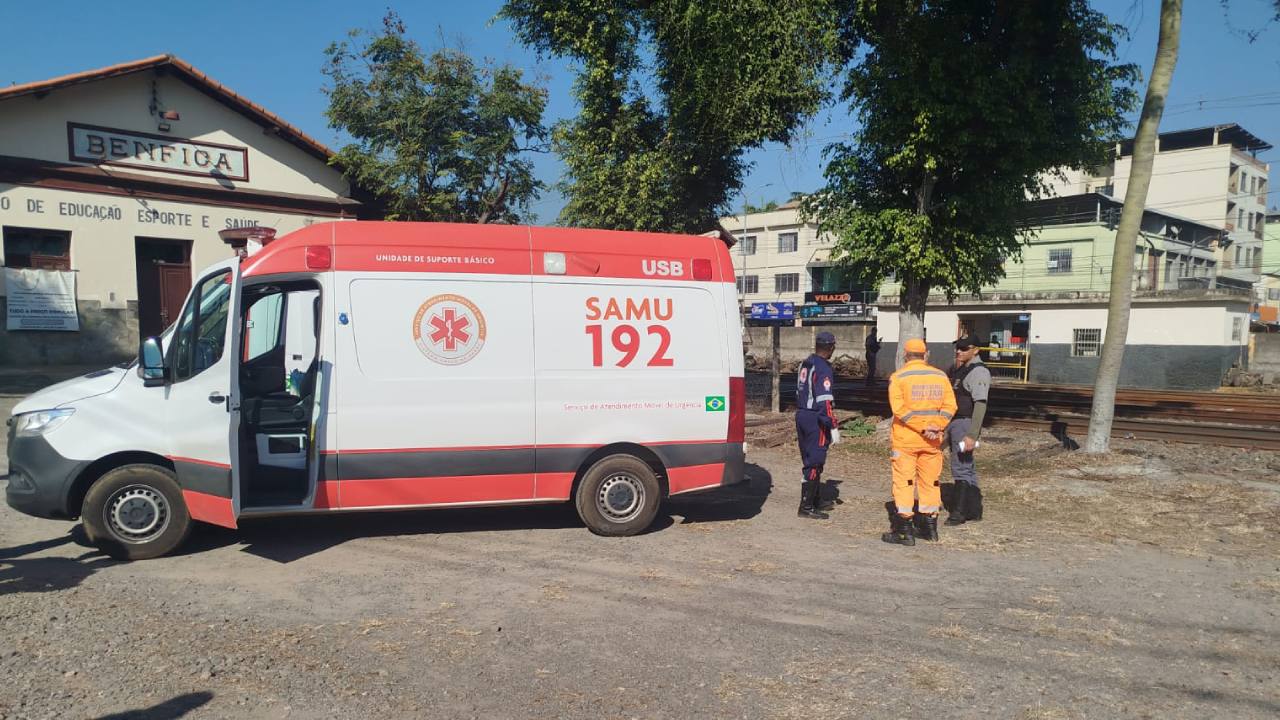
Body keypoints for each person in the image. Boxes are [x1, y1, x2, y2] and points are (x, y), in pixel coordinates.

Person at [882, 338, 956, 545]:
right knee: (930, 483)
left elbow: (900, 410)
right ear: (926, 354)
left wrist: (923, 427)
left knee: (905, 483)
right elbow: (951, 406)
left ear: (905, 355)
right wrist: (937, 426)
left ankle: (905, 531)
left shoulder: (899, 377)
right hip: (932, 442)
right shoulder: (940, 376)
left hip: (906, 440)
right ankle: (930, 529)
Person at [946, 333, 991, 525]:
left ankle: (959, 512)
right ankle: (973, 509)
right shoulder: (962, 369)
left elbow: (980, 404)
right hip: (956, 423)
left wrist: (972, 435)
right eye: (958, 347)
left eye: (964, 348)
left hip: (965, 423)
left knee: (961, 467)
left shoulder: (978, 372)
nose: (959, 351)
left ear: (976, 351)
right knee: (967, 467)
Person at [795, 331, 840, 519]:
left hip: (802, 413)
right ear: (830, 347)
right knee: (815, 461)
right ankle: (806, 507)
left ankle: (814, 499)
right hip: (815, 418)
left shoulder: (806, 362)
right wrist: (832, 424)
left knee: (808, 458)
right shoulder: (823, 368)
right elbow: (825, 401)